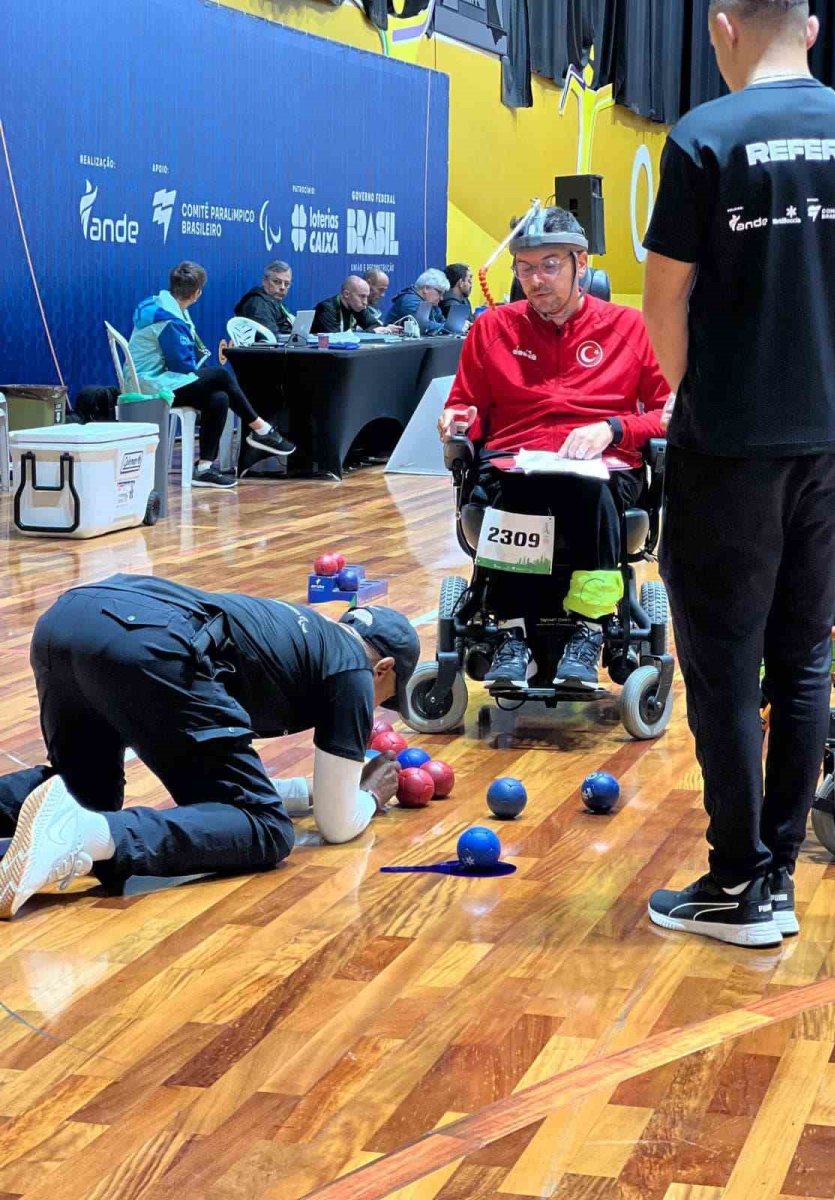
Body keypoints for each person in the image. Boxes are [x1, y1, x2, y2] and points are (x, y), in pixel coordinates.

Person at [642, 0, 835, 947]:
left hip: (730, 443)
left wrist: (699, 400)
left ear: (723, 27)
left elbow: (662, 301)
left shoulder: (704, 138)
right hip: (830, 441)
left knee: (721, 666)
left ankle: (735, 882)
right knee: (801, 660)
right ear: (813, 28)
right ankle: (777, 879)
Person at [0, 575, 420, 919]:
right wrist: (369, 794)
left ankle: (68, 826)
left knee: (84, 792)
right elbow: (337, 826)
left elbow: (225, 781)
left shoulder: (310, 633)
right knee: (266, 829)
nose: (376, 708)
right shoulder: (353, 669)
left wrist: (311, 791)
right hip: (150, 641)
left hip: (70, 617)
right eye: (386, 698)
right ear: (383, 669)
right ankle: (85, 835)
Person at [437, 207, 670, 689]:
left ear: (580, 263)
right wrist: (457, 420)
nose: (535, 280)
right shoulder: (492, 328)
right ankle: (512, 632)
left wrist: (613, 429)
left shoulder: (631, 327)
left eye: (549, 265)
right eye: (524, 268)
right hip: (515, 464)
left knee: (589, 491)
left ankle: (589, 627)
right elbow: (465, 405)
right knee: (518, 487)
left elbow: (670, 413)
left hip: (604, 468)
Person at [129, 262, 296, 489]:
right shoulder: (169, 319)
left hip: (159, 378)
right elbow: (182, 367)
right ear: (197, 293)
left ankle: (204, 468)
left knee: (219, 397)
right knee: (220, 376)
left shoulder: (159, 302)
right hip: (151, 386)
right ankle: (261, 429)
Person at [311, 275, 392, 334]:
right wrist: (371, 332)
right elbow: (334, 339)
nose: (365, 302)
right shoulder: (327, 308)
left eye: (366, 297)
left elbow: (375, 325)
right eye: (362, 296)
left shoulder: (357, 307)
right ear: (346, 294)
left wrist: (372, 331)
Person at [234, 260, 295, 336]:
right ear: (264, 281)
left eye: (286, 284)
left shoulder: (276, 302)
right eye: (277, 282)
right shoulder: (258, 304)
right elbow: (271, 337)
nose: (283, 287)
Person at [385, 269, 450, 333]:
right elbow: (422, 325)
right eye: (440, 293)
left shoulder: (432, 304)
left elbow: (442, 321)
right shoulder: (409, 301)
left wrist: (448, 327)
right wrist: (448, 328)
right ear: (426, 288)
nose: (441, 298)